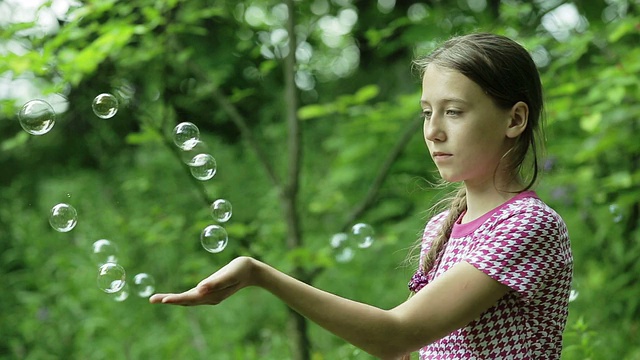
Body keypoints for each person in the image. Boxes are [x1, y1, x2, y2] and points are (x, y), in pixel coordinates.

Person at [150, 33, 573, 359]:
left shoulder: (527, 226)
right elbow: (408, 350)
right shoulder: (444, 228)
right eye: (427, 112)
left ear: (515, 119)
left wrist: (261, 275)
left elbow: (396, 335)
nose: (433, 131)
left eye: (454, 112)